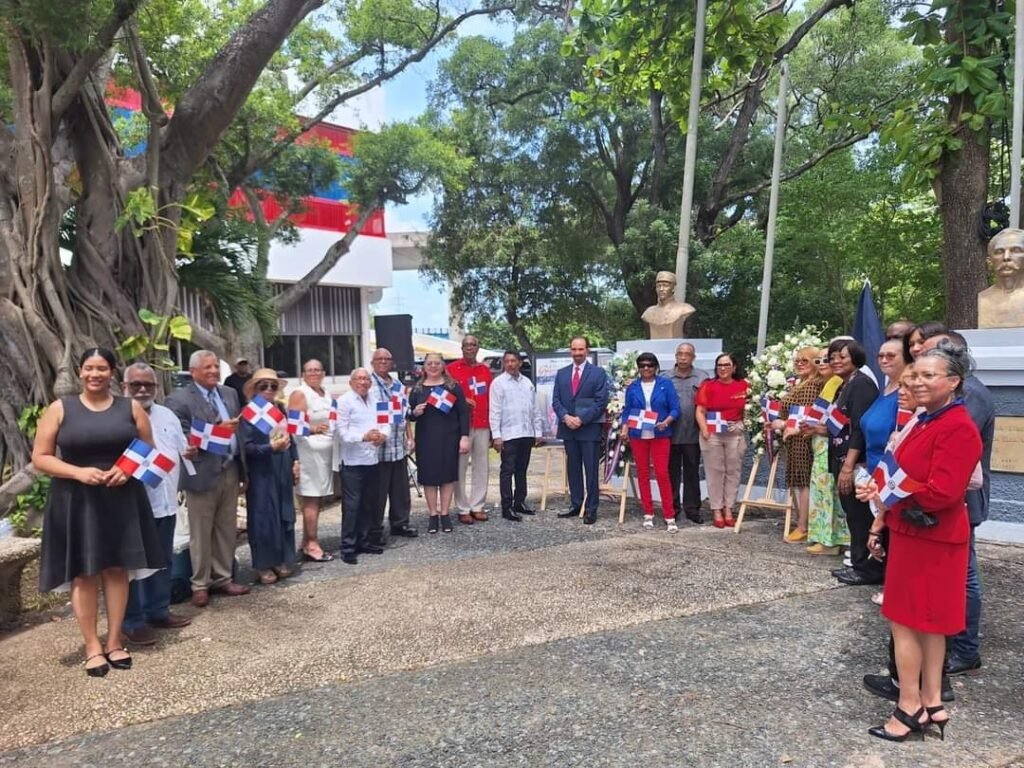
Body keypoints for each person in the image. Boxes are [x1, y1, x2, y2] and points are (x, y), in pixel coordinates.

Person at [856, 342, 982, 742]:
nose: (920, 381)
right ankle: (931, 702)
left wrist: (893, 495)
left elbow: (943, 492)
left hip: (933, 536)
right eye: (917, 374)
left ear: (953, 381)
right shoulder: (927, 419)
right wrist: (882, 502)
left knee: (907, 622)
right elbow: (901, 469)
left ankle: (908, 705)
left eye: (930, 375)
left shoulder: (957, 426)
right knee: (925, 624)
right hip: (914, 532)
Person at [33, 348, 166, 676]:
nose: (95, 374)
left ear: (112, 373)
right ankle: (92, 644)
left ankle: (115, 640)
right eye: (89, 368)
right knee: (85, 572)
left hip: (121, 497)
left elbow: (148, 449)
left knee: (117, 569)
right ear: (80, 372)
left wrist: (128, 469)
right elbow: (41, 456)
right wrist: (78, 472)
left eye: (102, 368)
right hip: (77, 499)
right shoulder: (60, 409)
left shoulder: (130, 407)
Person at [165, 350, 250, 608]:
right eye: (207, 367)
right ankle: (199, 583)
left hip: (230, 469)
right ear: (193, 372)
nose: (213, 371)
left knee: (226, 527)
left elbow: (239, 430)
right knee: (200, 531)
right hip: (201, 472)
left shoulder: (229, 394)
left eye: (215, 366)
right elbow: (180, 436)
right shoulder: (178, 400)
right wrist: (218, 432)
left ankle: (223, 576)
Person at [121, 363, 192, 647]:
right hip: (134, 505)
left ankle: (158, 610)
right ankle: (133, 621)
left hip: (166, 501)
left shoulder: (166, 415)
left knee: (162, 559)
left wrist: (190, 452)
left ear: (156, 387)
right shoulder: (118, 416)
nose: (142, 390)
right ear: (124, 386)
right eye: (136, 384)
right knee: (135, 565)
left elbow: (180, 448)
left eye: (147, 385)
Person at [820, 339, 880, 586]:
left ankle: (867, 568)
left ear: (855, 357)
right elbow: (840, 424)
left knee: (859, 515)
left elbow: (859, 429)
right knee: (851, 514)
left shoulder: (862, 385)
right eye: (832, 357)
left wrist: (848, 467)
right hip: (839, 456)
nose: (835, 361)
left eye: (842, 356)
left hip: (854, 463)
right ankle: (857, 563)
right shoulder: (844, 386)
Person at [241, 369, 300, 584]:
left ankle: (282, 558)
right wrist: (270, 447)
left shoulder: (280, 409)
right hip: (262, 468)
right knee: (264, 515)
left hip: (283, 464)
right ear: (255, 389)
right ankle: (263, 563)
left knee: (284, 512)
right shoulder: (248, 413)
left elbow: (290, 437)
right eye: (263, 386)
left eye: (272, 386)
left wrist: (295, 460)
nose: (268, 390)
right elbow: (246, 447)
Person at [408, 353, 471, 533]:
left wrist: (464, 436)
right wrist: (415, 413)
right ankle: (433, 515)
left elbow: (463, 413)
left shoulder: (452, 387)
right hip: (426, 438)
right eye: (429, 363)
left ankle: (445, 514)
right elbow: (408, 414)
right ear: (424, 366)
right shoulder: (418, 390)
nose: (433, 366)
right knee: (429, 477)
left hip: (449, 437)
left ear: (443, 365)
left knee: (447, 476)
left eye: (437, 363)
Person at [553, 337, 610, 525]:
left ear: (587, 350)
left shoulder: (598, 373)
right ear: (570, 351)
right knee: (573, 468)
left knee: (591, 469)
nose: (577, 353)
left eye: (581, 349)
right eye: (574, 349)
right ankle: (576, 504)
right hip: (568, 429)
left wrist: (581, 419)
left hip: (589, 429)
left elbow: (601, 402)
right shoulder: (561, 374)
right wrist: (565, 417)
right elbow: (556, 401)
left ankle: (591, 508)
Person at [621, 352, 681, 531]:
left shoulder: (665, 384)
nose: (646, 368)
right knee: (643, 473)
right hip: (639, 434)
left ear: (656, 367)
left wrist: (667, 421)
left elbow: (675, 409)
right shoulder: (632, 387)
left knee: (662, 473)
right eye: (642, 365)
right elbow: (628, 410)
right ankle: (648, 512)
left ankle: (669, 514)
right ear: (638, 368)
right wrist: (625, 428)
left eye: (649, 365)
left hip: (660, 433)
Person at [771, 347, 825, 542]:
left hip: (804, 439)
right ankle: (801, 522)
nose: (799, 363)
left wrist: (783, 423)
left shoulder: (813, 385)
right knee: (798, 481)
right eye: (797, 360)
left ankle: (803, 526)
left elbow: (808, 415)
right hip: (793, 439)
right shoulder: (801, 383)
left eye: (805, 360)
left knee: (803, 482)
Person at [336, 368, 389, 563]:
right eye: (358, 379)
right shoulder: (343, 402)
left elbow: (386, 423)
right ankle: (348, 546)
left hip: (372, 459)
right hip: (352, 461)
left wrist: (383, 435)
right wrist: (364, 437)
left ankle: (365, 540)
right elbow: (341, 433)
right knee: (352, 506)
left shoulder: (377, 400)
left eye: (366, 379)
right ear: (351, 382)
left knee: (369, 503)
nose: (363, 382)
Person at [288, 359, 336, 562]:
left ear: (323, 372)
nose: (314, 373)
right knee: (311, 499)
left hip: (324, 455)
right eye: (310, 370)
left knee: (317, 499)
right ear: (303, 374)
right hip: (308, 454)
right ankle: (312, 544)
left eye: (318, 369)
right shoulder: (300, 394)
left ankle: (306, 540)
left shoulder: (326, 393)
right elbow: (293, 426)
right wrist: (314, 429)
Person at [369, 348, 418, 542]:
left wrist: (410, 435)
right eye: (379, 359)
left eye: (387, 359)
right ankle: (375, 530)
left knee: (400, 491)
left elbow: (404, 414)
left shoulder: (398, 385)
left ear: (392, 363)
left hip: (398, 446)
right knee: (378, 493)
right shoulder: (367, 383)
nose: (383, 362)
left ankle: (400, 523)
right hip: (378, 448)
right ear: (372, 362)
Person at [489, 350, 545, 521]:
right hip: (508, 434)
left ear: (520, 363)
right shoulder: (498, 383)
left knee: (522, 470)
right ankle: (507, 507)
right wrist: (496, 435)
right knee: (507, 470)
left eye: (514, 361)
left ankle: (520, 502)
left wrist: (538, 432)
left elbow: (535, 409)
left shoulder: (527, 383)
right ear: (504, 364)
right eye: (507, 361)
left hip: (526, 433)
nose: (510, 364)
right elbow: (495, 411)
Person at [695, 353, 748, 528]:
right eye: (719, 365)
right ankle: (716, 509)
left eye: (726, 365)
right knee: (715, 472)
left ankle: (729, 508)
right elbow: (700, 411)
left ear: (734, 367)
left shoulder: (744, 386)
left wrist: (742, 424)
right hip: (713, 434)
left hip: (735, 434)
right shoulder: (708, 386)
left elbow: (750, 412)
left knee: (733, 472)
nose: (723, 368)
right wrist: (704, 430)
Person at [804, 351, 849, 555]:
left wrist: (818, 429)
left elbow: (842, 422)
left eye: (827, 359)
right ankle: (822, 536)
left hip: (833, 445)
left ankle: (832, 540)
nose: (823, 364)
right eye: (819, 360)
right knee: (821, 492)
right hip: (819, 445)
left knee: (830, 493)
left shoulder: (841, 385)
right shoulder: (827, 385)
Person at [447, 336, 493, 525]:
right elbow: (444, 395)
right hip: (461, 426)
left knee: (482, 466)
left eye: (473, 345)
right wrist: (462, 400)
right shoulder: (451, 370)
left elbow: (490, 396)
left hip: (482, 422)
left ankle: (478, 505)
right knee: (460, 467)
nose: (470, 348)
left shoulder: (485, 370)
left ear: (478, 347)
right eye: (466, 345)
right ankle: (463, 507)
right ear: (462, 347)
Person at [665, 342, 709, 524]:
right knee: (671, 473)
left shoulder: (702, 377)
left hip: (693, 433)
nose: (683, 357)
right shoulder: (665, 377)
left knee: (692, 472)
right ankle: (672, 509)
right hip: (670, 434)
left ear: (693, 357)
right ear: (676, 356)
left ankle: (692, 509)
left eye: (687, 354)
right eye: (680, 354)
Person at [978, 227, 1024, 328]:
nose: (1006, 257)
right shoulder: (982, 298)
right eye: (999, 252)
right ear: (990, 261)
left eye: (1016, 250)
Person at [641, 271, 696, 339]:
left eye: (665, 285)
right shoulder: (648, 312)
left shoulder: (685, 309)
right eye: (658, 286)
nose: (661, 289)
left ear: (673, 288)